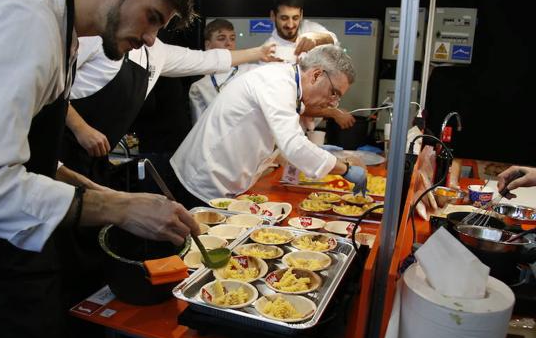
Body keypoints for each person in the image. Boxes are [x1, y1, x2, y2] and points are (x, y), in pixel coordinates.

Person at [0, 0, 200, 338]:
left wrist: (104, 193)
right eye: (152, 17)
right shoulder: (25, 21)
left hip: (7, 226)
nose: (150, 38)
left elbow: (26, 151)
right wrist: (121, 208)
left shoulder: (60, 32)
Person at [62, 30, 277, 184]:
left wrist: (258, 53)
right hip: (60, 151)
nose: (151, 34)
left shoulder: (156, 51)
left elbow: (205, 59)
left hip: (95, 159)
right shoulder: (95, 35)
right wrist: (80, 127)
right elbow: (48, 88)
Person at [170, 44, 367, 205]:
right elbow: (294, 146)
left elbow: (278, 143)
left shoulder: (289, 85)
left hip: (223, 186)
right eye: (334, 93)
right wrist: (346, 169)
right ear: (316, 75)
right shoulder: (277, 82)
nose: (333, 103)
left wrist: (322, 153)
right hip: (199, 184)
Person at [267, 0, 355, 131]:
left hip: (311, 126)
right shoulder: (269, 52)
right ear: (273, 16)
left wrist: (316, 39)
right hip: (287, 127)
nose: (290, 24)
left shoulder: (310, 28)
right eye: (284, 18)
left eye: (295, 18)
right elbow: (288, 103)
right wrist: (332, 112)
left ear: (301, 14)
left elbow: (332, 40)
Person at [188, 18, 258, 124]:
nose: (228, 43)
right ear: (208, 45)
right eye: (221, 38)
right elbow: (199, 130)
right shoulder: (199, 87)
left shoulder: (252, 72)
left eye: (232, 38)